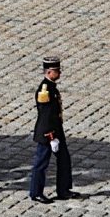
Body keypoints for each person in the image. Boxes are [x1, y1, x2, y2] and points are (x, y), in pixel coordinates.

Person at [28, 57, 80, 203]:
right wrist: (51, 137)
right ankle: (36, 192)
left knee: (64, 160)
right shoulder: (44, 90)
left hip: (57, 132)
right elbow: (45, 116)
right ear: (49, 72)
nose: (59, 73)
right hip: (47, 133)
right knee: (41, 163)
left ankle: (63, 190)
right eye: (57, 71)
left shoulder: (52, 87)